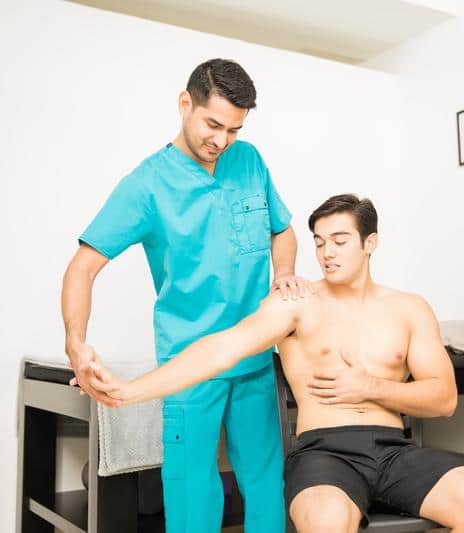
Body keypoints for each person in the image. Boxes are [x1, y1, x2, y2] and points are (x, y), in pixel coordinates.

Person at [80, 194, 464, 533]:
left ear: (370, 243)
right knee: (326, 523)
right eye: (319, 242)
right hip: (325, 454)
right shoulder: (296, 302)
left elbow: (444, 399)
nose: (326, 253)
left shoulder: (410, 308)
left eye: (339, 241)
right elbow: (222, 349)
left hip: (394, 451)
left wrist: (371, 387)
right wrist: (129, 391)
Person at [61, 58, 304, 533]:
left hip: (255, 357)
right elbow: (82, 267)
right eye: (213, 124)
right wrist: (76, 341)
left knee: (266, 485)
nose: (222, 140)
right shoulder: (146, 185)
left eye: (233, 129)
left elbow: (283, 230)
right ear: (184, 103)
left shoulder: (249, 160)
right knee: (192, 493)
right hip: (188, 365)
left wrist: (285, 273)